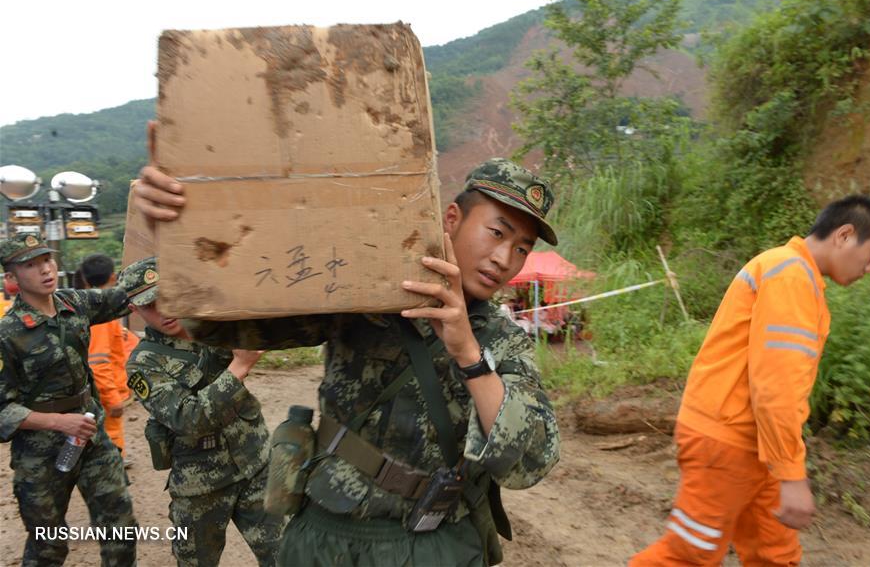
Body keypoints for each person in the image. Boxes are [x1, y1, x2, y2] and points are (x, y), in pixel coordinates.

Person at [134, 154, 562, 566]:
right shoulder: (364, 293)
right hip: (327, 534)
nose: (505, 259)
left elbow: (530, 461)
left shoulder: (503, 341)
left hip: (437, 542)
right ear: (452, 219)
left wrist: (468, 352)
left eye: (522, 249)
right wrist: (180, 228)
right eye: (497, 233)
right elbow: (224, 319)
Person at [631, 195, 870, 566]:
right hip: (725, 442)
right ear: (845, 235)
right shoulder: (790, 276)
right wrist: (793, 476)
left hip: (760, 446)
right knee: (689, 555)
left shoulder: (792, 273)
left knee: (776, 554)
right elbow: (776, 388)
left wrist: (786, 465)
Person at [119, 256, 283, 566]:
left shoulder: (215, 325)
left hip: (256, 462)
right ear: (134, 310)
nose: (164, 309)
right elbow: (188, 418)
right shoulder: (143, 364)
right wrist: (240, 365)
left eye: (167, 295)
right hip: (201, 484)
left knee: (288, 555)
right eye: (150, 304)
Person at [0, 233, 138, 566]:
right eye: (30, 265)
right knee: (49, 545)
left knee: (120, 528)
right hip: (40, 452)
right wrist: (56, 421)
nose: (45, 269)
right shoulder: (7, 333)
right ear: (11, 278)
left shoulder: (74, 302)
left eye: (47, 260)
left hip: (91, 437)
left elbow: (127, 296)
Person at [77, 253, 132, 461]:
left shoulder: (86, 305)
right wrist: (113, 398)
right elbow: (98, 361)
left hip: (100, 389)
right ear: (113, 277)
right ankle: (113, 462)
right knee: (109, 433)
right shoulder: (100, 311)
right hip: (104, 393)